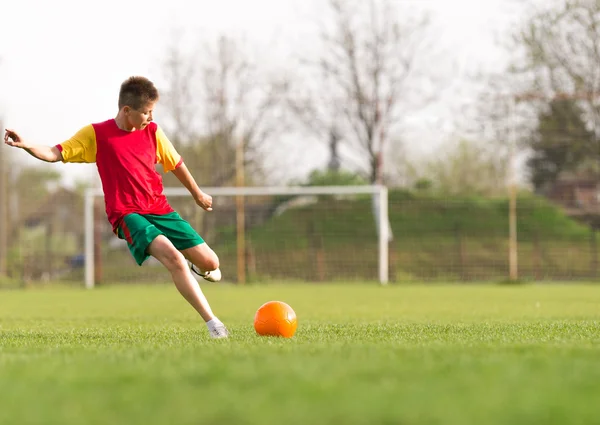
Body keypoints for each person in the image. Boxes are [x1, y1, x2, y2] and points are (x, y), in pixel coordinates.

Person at [4, 76, 229, 339]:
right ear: (126, 110)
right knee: (174, 259)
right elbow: (55, 153)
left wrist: (197, 193)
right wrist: (26, 145)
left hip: (159, 209)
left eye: (152, 111)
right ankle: (214, 324)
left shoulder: (153, 132)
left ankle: (199, 267)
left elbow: (176, 163)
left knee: (211, 261)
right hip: (127, 214)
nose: (150, 117)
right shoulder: (97, 134)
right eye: (146, 112)